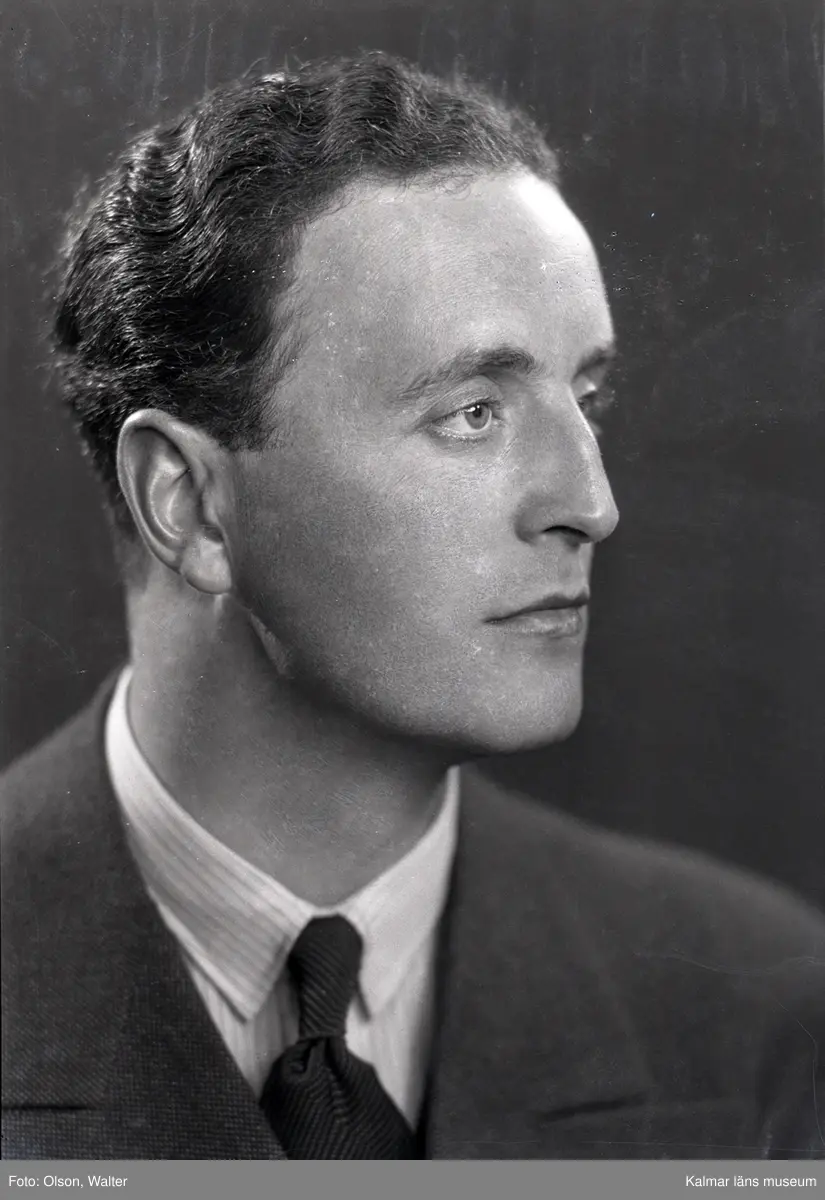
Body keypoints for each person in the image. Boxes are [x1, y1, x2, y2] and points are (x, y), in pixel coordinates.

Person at [2, 52, 823, 1162]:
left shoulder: (759, 1011)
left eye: (586, 398)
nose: (592, 505)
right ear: (188, 502)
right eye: (472, 412)